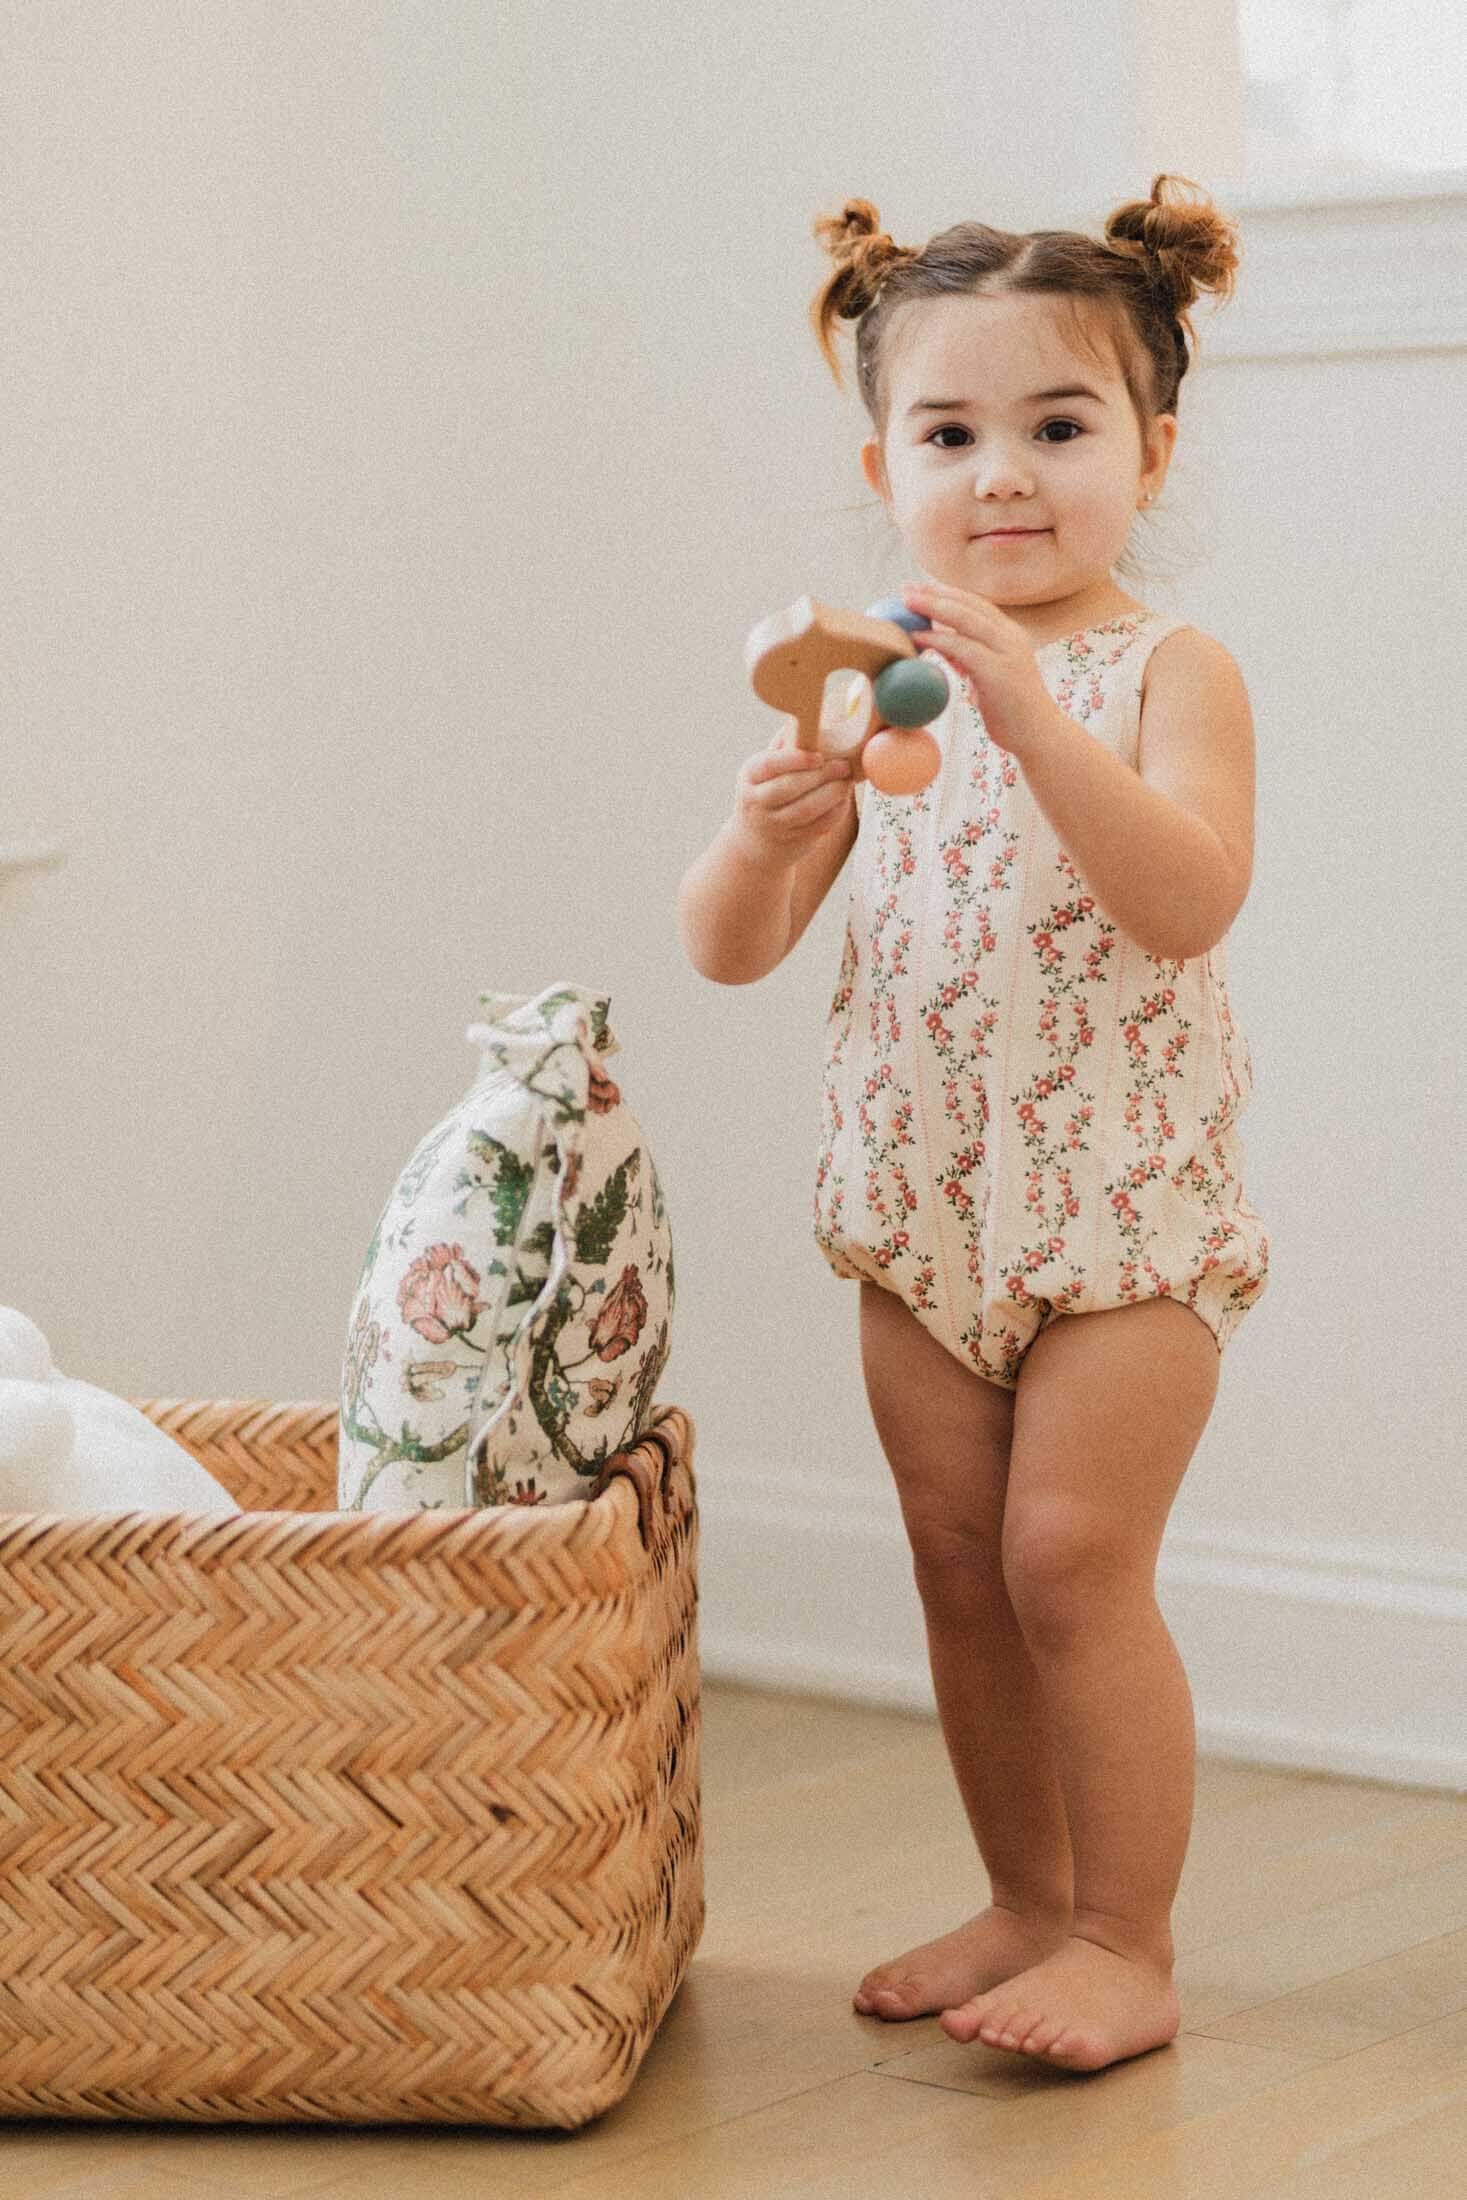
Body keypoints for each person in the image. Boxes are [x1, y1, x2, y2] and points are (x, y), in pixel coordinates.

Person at [677, 176, 1270, 2073]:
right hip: (924, 1206)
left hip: (1125, 1212)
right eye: (950, 433)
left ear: (1152, 453)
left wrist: (1041, 723)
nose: (1002, 474)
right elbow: (732, 950)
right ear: (883, 461)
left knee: (1070, 1560)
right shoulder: (878, 686)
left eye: (1059, 427)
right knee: (952, 1556)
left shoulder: (1167, 673)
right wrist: (767, 835)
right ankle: (1024, 1894)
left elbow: (1187, 898)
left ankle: (1128, 1936)